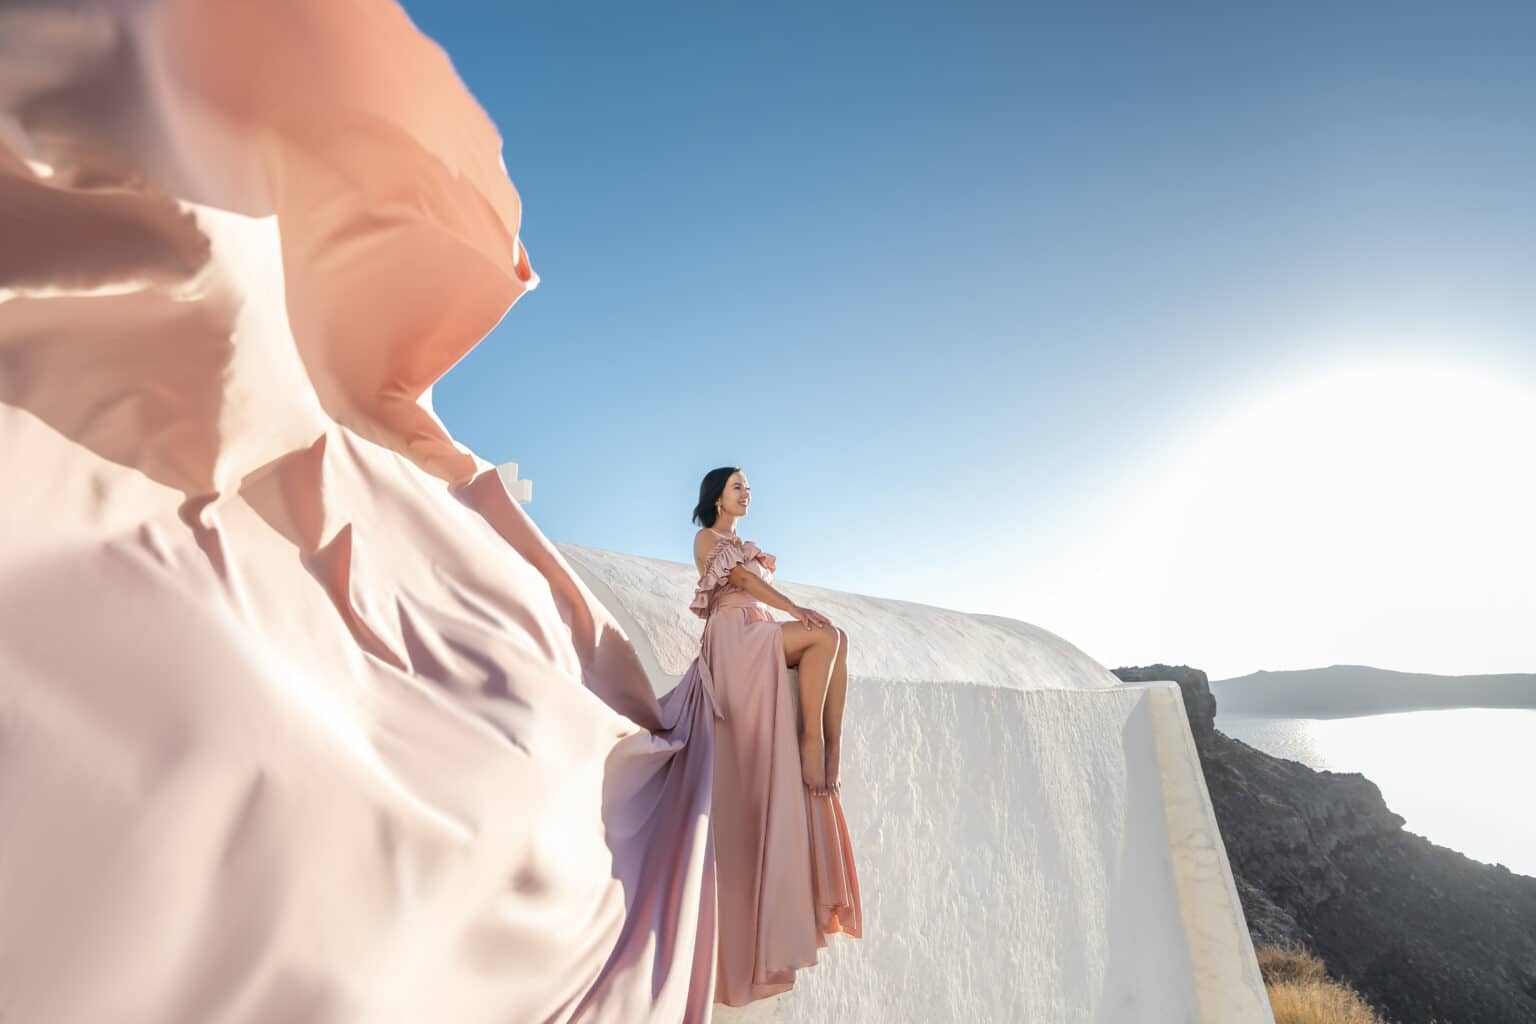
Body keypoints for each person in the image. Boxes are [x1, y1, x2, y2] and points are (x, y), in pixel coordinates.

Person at [686, 466, 863, 1006]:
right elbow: (740, 584)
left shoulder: (743, 543)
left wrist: (784, 611)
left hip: (756, 630)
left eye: (747, 487)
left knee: (839, 638)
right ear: (717, 496)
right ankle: (810, 741)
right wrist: (791, 608)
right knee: (820, 634)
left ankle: (828, 749)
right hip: (735, 639)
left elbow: (752, 579)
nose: (747, 493)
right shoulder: (710, 539)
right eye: (738, 486)